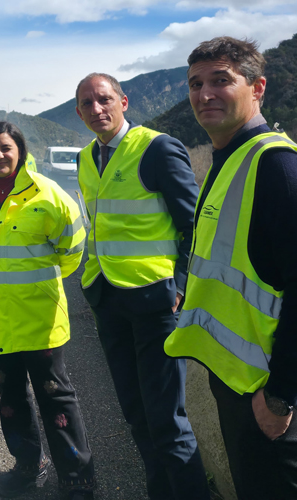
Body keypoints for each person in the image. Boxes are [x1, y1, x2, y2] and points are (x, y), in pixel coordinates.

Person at [164, 37, 297, 500]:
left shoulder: (277, 166)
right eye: (196, 84)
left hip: (282, 393)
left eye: (221, 80)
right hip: (243, 382)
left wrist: (281, 396)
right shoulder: (231, 158)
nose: (205, 94)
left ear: (257, 87)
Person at [74, 73, 210, 500]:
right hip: (109, 300)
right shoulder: (84, 158)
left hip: (156, 302)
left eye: (104, 99)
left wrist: (183, 286)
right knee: (135, 416)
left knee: (167, 422)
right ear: (78, 112)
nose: (96, 109)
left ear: (124, 101)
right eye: (86, 103)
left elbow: (196, 225)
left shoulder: (156, 148)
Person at [0, 121, 95, 499]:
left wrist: (43, 283)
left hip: (38, 317)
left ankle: (77, 477)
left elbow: (74, 244)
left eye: (6, 148)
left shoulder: (47, 194)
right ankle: (28, 465)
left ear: (21, 152)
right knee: (11, 396)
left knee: (55, 395)